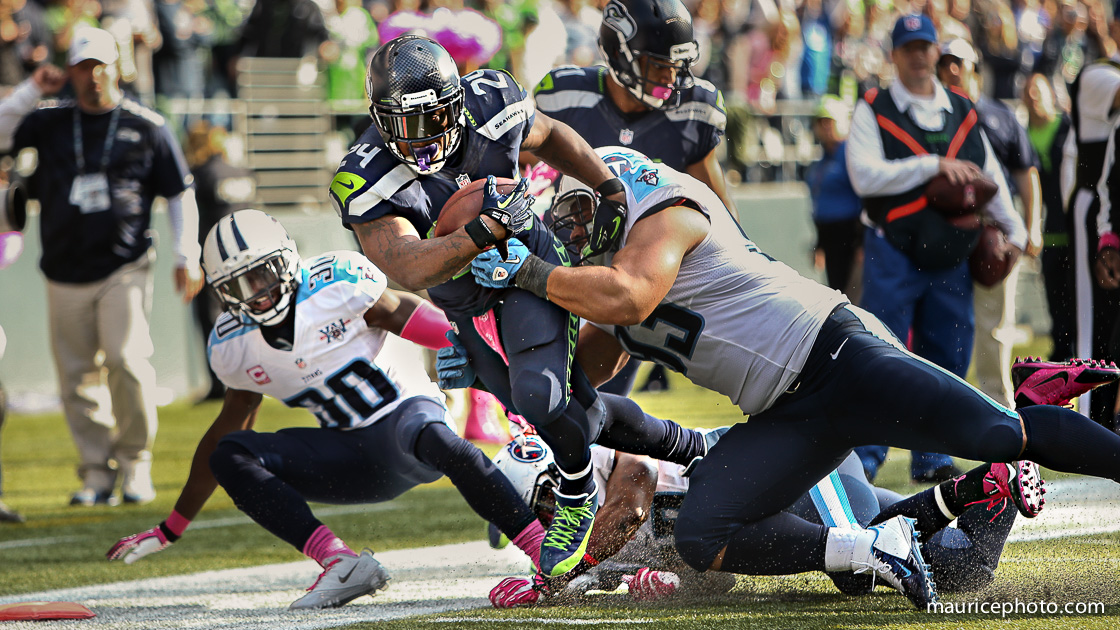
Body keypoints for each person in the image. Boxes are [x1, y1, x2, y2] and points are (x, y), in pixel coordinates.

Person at [469, 145, 1120, 609]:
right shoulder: (608, 266)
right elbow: (589, 382)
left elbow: (632, 299)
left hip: (838, 354)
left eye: (577, 212)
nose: (574, 230)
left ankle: (1051, 423)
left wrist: (529, 275)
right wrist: (512, 359)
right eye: (563, 224)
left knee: (1002, 434)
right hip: (789, 414)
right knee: (701, 534)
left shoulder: (664, 213)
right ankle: (869, 549)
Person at [332, 35, 708, 578]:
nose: (422, 137)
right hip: (462, 295)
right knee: (562, 403)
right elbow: (409, 266)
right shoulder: (365, 170)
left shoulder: (490, 101)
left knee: (541, 397)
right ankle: (692, 444)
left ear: (457, 101)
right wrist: (482, 231)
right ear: (378, 118)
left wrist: (606, 185)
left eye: (433, 117)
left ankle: (577, 494)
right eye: (404, 123)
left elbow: (551, 135)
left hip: (524, 262)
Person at [105, 209, 550, 610]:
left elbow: (413, 317)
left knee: (433, 434)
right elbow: (225, 430)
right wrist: (172, 527)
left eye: (261, 275)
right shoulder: (232, 345)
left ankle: (544, 552)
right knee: (231, 453)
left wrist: (481, 354)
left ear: (286, 259)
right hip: (350, 460)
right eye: (239, 285)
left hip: (407, 427)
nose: (256, 295)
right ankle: (339, 561)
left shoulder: (338, 284)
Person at [0, 30, 203, 506]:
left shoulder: (146, 125)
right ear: (69, 71)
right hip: (62, 268)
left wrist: (185, 255)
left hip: (124, 264)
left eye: (99, 66)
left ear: (118, 68)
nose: (91, 76)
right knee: (76, 377)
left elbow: (179, 192)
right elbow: (0, 131)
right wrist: (32, 88)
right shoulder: (50, 120)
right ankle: (96, 472)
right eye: (82, 67)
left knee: (126, 360)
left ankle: (135, 465)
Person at [488, 437, 1052, 607]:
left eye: (543, 505)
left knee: (861, 572)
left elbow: (632, 501)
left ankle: (977, 485)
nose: (548, 521)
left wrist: (554, 577)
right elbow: (720, 571)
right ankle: (988, 486)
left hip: (794, 471)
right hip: (804, 490)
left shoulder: (617, 468)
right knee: (965, 567)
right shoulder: (594, 533)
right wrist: (579, 591)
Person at [846, 15, 1026, 482]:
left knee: (947, 356)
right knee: (881, 353)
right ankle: (866, 456)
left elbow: (990, 178)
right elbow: (865, 175)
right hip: (894, 249)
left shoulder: (963, 109)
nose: (919, 56)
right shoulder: (873, 105)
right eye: (909, 48)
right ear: (895, 55)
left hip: (952, 253)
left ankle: (934, 454)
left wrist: (1017, 232)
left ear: (935, 51)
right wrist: (932, 167)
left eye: (925, 46)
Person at [531, 0, 729, 395]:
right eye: (659, 64)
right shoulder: (564, 96)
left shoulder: (694, 110)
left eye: (677, 65)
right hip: (572, 256)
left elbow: (720, 211)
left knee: (590, 395)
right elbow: (521, 171)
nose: (672, 78)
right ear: (621, 55)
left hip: (641, 271)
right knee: (549, 387)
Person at [937, 38, 1042, 409]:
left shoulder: (999, 114)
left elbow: (1026, 172)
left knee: (994, 327)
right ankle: (947, 410)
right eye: (944, 62)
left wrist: (1032, 227)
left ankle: (999, 409)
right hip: (946, 232)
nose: (951, 69)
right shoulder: (933, 116)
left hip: (993, 232)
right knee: (943, 325)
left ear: (973, 68)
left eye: (958, 62)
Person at [185, 120, 256, 402]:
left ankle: (219, 383)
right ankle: (252, 375)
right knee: (250, 315)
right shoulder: (243, 172)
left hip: (213, 259)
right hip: (249, 258)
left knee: (210, 320)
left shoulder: (199, 174)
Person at [1069, 49, 1120, 430]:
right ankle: (1086, 421)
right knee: (1091, 324)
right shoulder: (1098, 72)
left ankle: (1106, 417)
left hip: (1112, 207)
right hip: (1098, 207)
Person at [1023, 73, 1076, 361]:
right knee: (1056, 306)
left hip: (1075, 233)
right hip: (1047, 235)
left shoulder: (1067, 127)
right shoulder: (1022, 134)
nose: (1033, 97)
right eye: (1027, 92)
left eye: (1037, 91)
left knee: (1078, 304)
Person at [806, 94, 862, 297]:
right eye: (821, 123)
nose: (825, 128)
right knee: (837, 292)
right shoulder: (822, 160)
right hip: (830, 239)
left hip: (851, 238)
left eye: (829, 122)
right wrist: (819, 243)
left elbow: (863, 199)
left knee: (853, 297)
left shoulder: (850, 154)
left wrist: (862, 244)